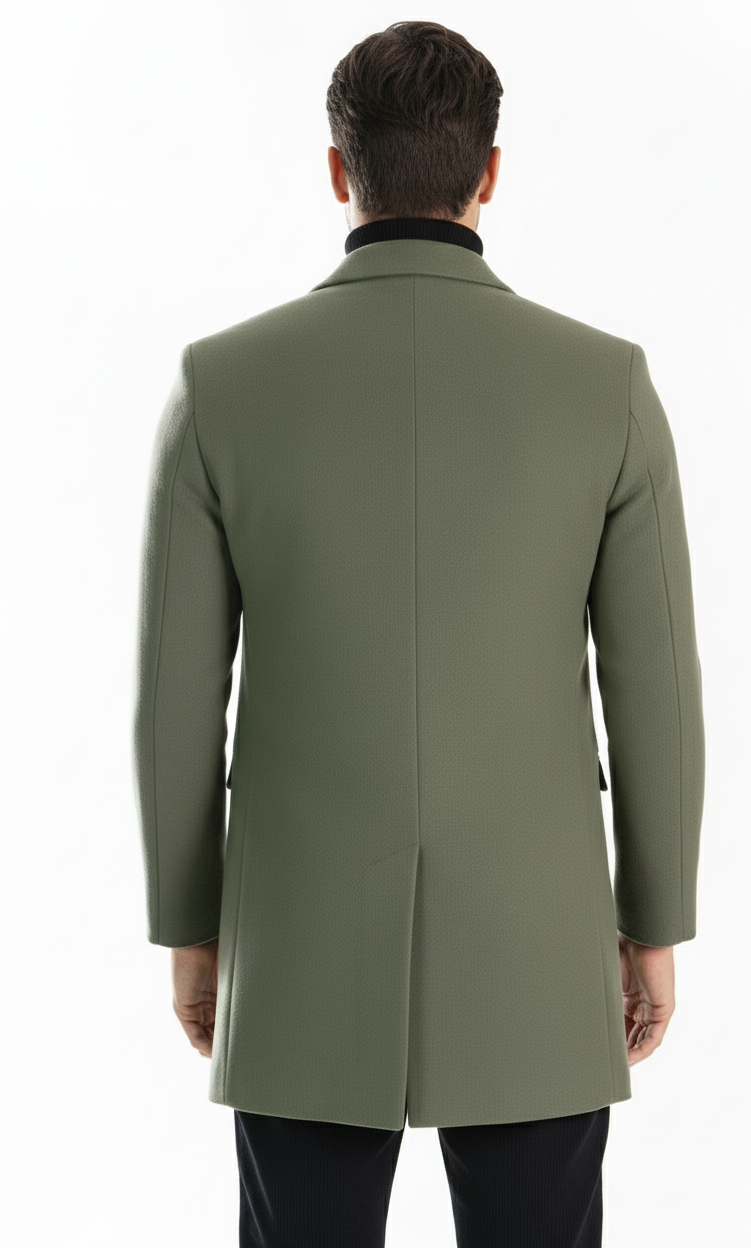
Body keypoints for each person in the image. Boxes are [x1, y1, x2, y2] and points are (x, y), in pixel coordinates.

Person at [131, 19, 705, 1248]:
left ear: (338, 171)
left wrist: (189, 927)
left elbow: (174, 704)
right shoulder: (605, 384)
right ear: (489, 171)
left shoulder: (220, 384)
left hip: (298, 945)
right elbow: (655, 692)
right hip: (535, 944)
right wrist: (653, 924)